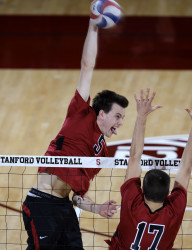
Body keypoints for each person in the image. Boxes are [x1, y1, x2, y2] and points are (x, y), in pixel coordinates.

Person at [22, 17, 129, 249]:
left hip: (64, 208)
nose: (120, 123)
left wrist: (97, 208)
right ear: (101, 113)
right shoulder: (81, 112)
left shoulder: (102, 154)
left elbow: (77, 197)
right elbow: (87, 64)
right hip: (42, 203)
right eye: (118, 116)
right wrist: (93, 25)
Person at [107, 89, 192, 249]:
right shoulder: (173, 211)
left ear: (142, 190)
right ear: (167, 194)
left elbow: (134, 157)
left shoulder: (132, 203)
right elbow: (186, 168)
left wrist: (141, 116)